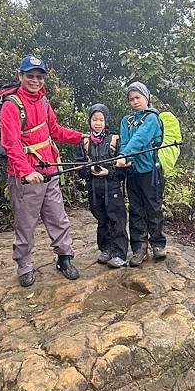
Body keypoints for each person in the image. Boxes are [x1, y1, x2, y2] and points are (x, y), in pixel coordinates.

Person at [0, 55, 84, 287]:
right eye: (30, 76)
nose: (35, 80)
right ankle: (24, 265)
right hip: (26, 176)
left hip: (50, 170)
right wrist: (26, 172)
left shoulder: (44, 102)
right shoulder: (11, 105)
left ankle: (64, 257)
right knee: (25, 222)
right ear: (20, 76)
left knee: (58, 216)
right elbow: (11, 144)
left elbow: (55, 130)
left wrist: (82, 138)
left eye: (39, 76)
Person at [116, 82, 167, 266]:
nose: (135, 101)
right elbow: (124, 141)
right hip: (132, 172)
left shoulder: (152, 118)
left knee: (153, 208)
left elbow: (141, 137)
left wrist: (125, 155)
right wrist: (124, 156)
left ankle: (158, 244)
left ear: (147, 97)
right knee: (136, 210)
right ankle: (139, 248)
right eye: (131, 99)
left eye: (138, 97)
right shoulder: (126, 121)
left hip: (150, 171)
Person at [75, 104, 128, 268]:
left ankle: (120, 253)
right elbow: (79, 167)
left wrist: (108, 173)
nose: (98, 123)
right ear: (89, 121)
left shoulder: (115, 140)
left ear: (106, 121)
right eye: (94, 119)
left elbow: (124, 170)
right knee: (102, 221)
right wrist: (89, 170)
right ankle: (106, 249)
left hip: (112, 189)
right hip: (94, 189)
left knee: (117, 220)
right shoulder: (84, 142)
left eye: (101, 119)